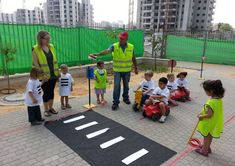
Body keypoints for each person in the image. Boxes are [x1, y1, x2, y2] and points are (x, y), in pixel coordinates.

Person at [89, 32, 138, 110]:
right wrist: (97, 54)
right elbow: (107, 51)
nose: (120, 40)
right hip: (117, 70)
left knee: (126, 86)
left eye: (122, 39)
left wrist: (136, 68)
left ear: (126, 39)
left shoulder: (131, 47)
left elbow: (133, 57)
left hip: (127, 71)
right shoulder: (114, 46)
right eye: (120, 38)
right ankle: (115, 102)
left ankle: (125, 98)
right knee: (117, 86)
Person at [32, 30, 59, 117]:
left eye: (49, 38)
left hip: (53, 74)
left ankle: (51, 108)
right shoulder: (35, 49)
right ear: (40, 38)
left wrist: (58, 73)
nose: (48, 40)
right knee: (46, 93)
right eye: (46, 39)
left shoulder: (51, 47)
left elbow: (55, 61)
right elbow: (35, 64)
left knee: (51, 92)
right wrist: (42, 74)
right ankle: (46, 110)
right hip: (44, 77)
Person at [196, 80, 225, 157]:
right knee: (209, 136)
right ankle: (207, 147)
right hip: (214, 122)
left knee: (206, 137)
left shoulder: (211, 102)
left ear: (211, 91)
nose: (206, 93)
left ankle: (204, 151)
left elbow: (209, 114)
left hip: (209, 122)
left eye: (206, 91)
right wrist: (202, 112)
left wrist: (201, 116)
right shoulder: (218, 99)